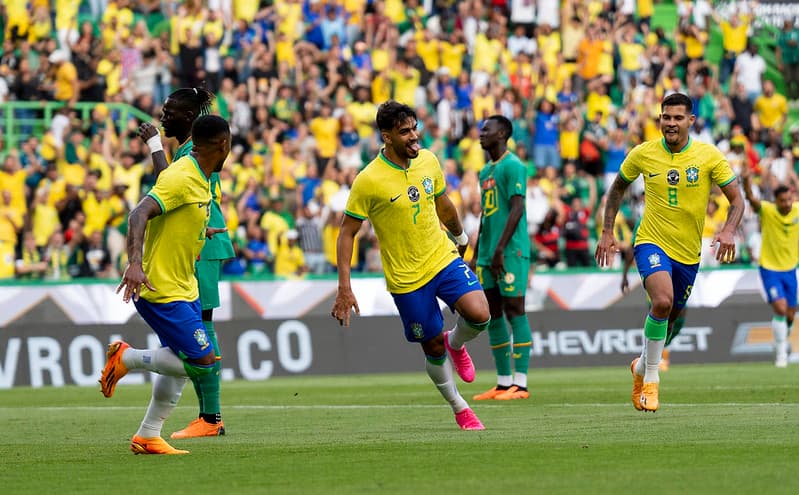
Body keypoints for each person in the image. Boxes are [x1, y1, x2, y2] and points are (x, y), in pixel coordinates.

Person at [330, 101, 491, 430]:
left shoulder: (428, 160)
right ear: (386, 137)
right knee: (431, 346)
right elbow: (347, 233)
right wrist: (344, 287)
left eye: (415, 128)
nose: (414, 136)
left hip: (441, 256)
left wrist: (461, 239)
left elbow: (443, 203)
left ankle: (456, 343)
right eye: (405, 132)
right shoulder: (368, 180)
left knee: (480, 314)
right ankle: (459, 407)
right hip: (406, 278)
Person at [595, 93, 744, 412]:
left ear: (691, 121)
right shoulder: (643, 153)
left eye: (678, 118)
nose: (671, 123)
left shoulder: (708, 157)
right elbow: (618, 188)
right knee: (661, 302)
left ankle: (639, 367)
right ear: (659, 119)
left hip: (688, 253)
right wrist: (608, 231)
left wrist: (729, 229)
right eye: (666, 117)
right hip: (651, 240)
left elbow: (737, 199)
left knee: (672, 316)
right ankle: (650, 379)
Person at [99, 115, 231, 454]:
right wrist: (134, 263)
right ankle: (127, 358)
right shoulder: (183, 175)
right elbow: (138, 214)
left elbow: (178, 217)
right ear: (223, 145)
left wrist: (201, 232)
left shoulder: (202, 176)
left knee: (179, 361)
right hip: (161, 289)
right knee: (204, 362)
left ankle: (148, 436)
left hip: (184, 285)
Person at [138, 87, 235, 438]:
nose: (163, 116)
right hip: (198, 243)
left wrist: (152, 146)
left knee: (201, 330)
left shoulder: (194, 156)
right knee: (185, 338)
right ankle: (160, 429)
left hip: (203, 246)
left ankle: (210, 418)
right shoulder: (187, 154)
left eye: (170, 111)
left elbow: (166, 184)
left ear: (190, 119)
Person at [469, 115, 533, 401]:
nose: (481, 134)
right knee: (492, 314)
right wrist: (475, 254)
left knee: (514, 309)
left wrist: (499, 249)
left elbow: (517, 208)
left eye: (487, 129)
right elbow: (486, 214)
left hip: (510, 251)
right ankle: (503, 382)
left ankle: (521, 383)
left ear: (503, 133)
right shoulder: (485, 172)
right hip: (487, 253)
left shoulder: (514, 166)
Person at [741, 165, 799, 367]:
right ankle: (781, 354)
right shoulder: (767, 210)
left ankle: (779, 339)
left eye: (789, 200)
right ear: (776, 201)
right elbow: (751, 199)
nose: (787, 204)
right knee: (781, 309)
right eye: (782, 201)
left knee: (791, 314)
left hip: (791, 269)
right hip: (769, 268)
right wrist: (747, 181)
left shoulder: (797, 211)